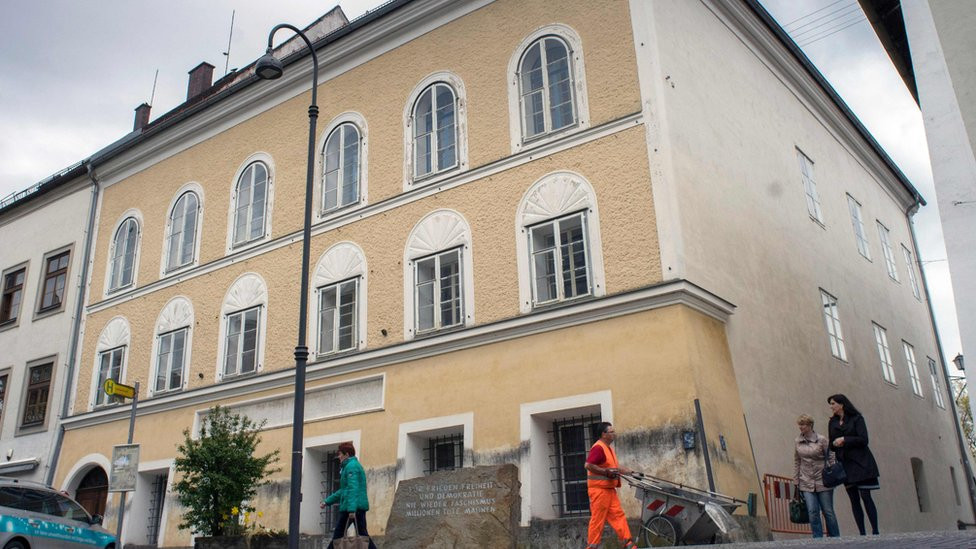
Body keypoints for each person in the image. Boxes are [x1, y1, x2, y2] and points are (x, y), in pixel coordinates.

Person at [827, 394, 880, 535]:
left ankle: (875, 530)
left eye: (833, 403)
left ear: (841, 404)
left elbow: (863, 439)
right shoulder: (832, 422)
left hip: (861, 462)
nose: (831, 407)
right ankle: (862, 532)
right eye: (830, 404)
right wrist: (835, 443)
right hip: (845, 464)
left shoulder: (857, 418)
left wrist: (845, 439)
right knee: (853, 499)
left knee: (866, 496)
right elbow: (831, 444)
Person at [584, 422, 638, 549]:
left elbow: (615, 467)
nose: (614, 434)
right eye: (611, 432)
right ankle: (591, 547)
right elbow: (588, 465)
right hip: (599, 491)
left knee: (618, 516)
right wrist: (605, 472)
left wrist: (631, 472)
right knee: (598, 520)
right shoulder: (598, 448)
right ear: (604, 434)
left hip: (608, 490)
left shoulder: (608, 449)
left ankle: (628, 543)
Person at [323, 442, 378, 549]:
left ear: (347, 454)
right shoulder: (350, 466)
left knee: (339, 534)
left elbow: (353, 489)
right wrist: (327, 501)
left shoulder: (351, 467)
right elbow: (344, 490)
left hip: (351, 508)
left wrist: (352, 510)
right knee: (362, 535)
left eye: (340, 454)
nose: (339, 457)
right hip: (354, 507)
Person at [793, 414, 840, 538]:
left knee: (828, 511)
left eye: (803, 424)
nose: (800, 427)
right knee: (812, 511)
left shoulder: (821, 439)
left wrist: (832, 470)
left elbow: (831, 456)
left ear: (810, 425)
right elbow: (797, 460)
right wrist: (796, 479)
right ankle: (817, 539)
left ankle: (835, 538)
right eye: (799, 424)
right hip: (806, 480)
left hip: (823, 480)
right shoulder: (797, 441)